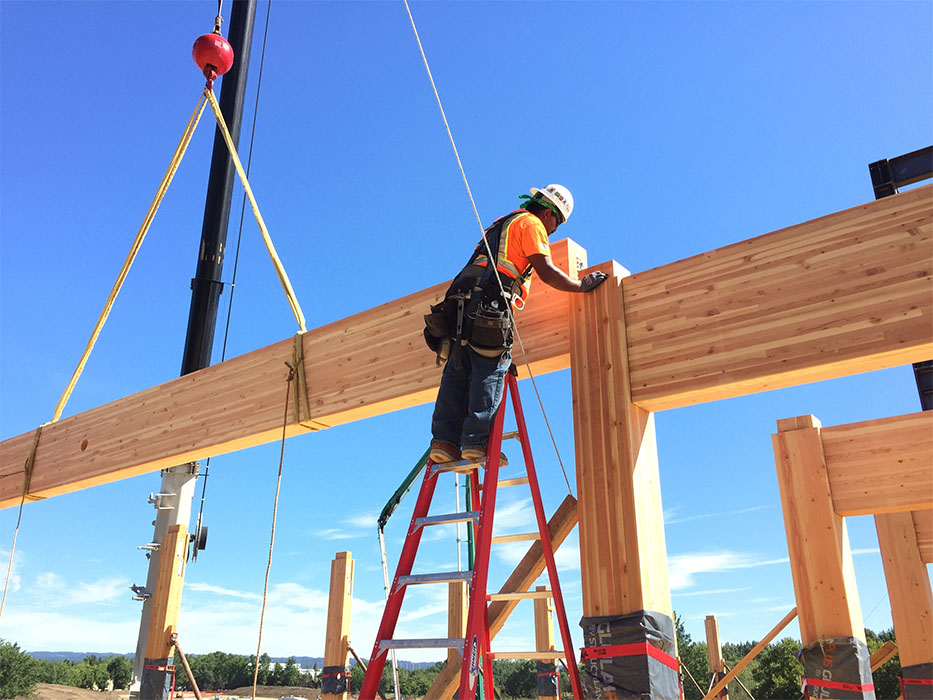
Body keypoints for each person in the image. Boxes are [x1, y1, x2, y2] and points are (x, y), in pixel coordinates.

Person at [426, 184, 609, 463]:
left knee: (458, 368)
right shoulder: (532, 224)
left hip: (461, 306)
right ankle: (476, 443)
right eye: (557, 221)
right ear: (547, 212)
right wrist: (580, 286)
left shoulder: (503, 224)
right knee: (491, 366)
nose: (556, 229)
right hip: (490, 307)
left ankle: (444, 442)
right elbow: (546, 271)